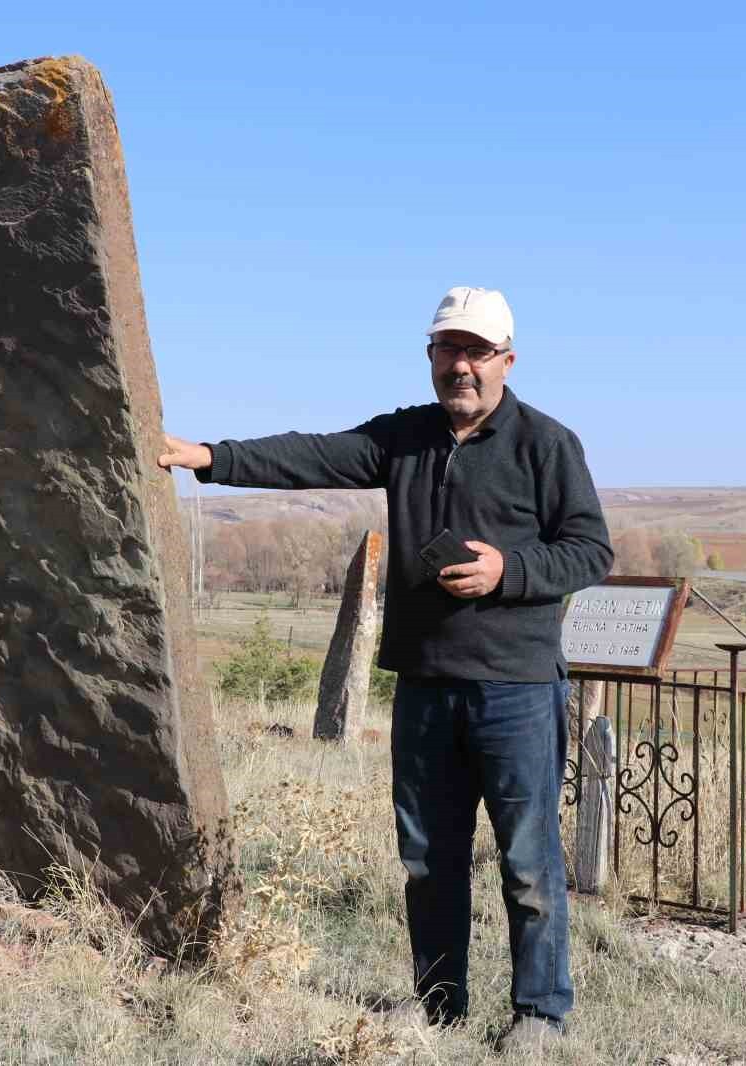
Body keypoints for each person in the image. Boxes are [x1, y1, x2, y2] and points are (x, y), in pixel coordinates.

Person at [159, 286, 612, 1050]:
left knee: (530, 862)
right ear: (430, 357)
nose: (460, 366)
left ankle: (540, 1014)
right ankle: (440, 1004)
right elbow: (312, 456)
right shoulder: (406, 436)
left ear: (507, 359)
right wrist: (206, 457)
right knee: (429, 859)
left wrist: (509, 570)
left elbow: (591, 549)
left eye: (475, 351)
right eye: (447, 350)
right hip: (427, 686)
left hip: (516, 689)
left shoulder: (547, 443)